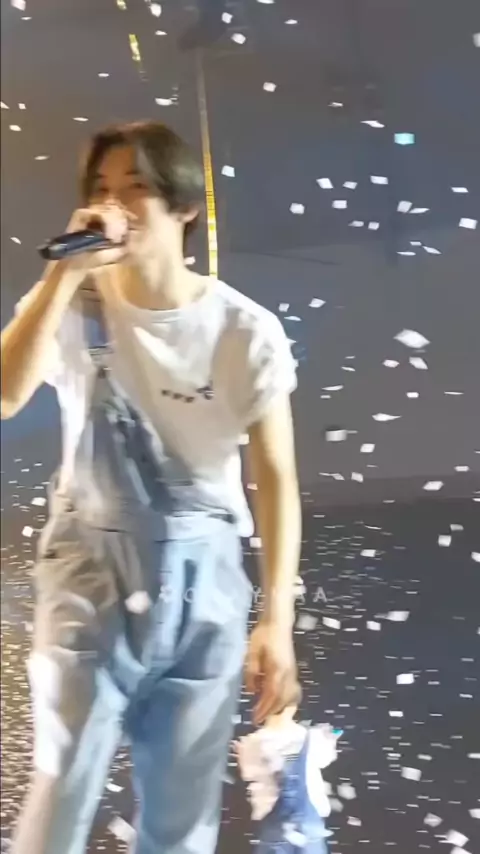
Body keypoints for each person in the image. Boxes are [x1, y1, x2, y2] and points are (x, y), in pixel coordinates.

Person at [0, 121, 302, 854]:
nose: (115, 203)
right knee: (63, 776)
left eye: (135, 187)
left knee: (182, 815)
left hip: (207, 583)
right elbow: (4, 395)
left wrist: (276, 620)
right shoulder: (74, 304)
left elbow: (275, 477)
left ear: (184, 205)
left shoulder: (242, 329)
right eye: (102, 188)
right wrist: (63, 274)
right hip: (90, 570)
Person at [236, 686, 341, 854]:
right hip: (310, 821)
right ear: (293, 707)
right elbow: (325, 759)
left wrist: (242, 752)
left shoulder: (254, 741)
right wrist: (331, 740)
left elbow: (248, 773)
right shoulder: (311, 736)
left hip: (273, 819)